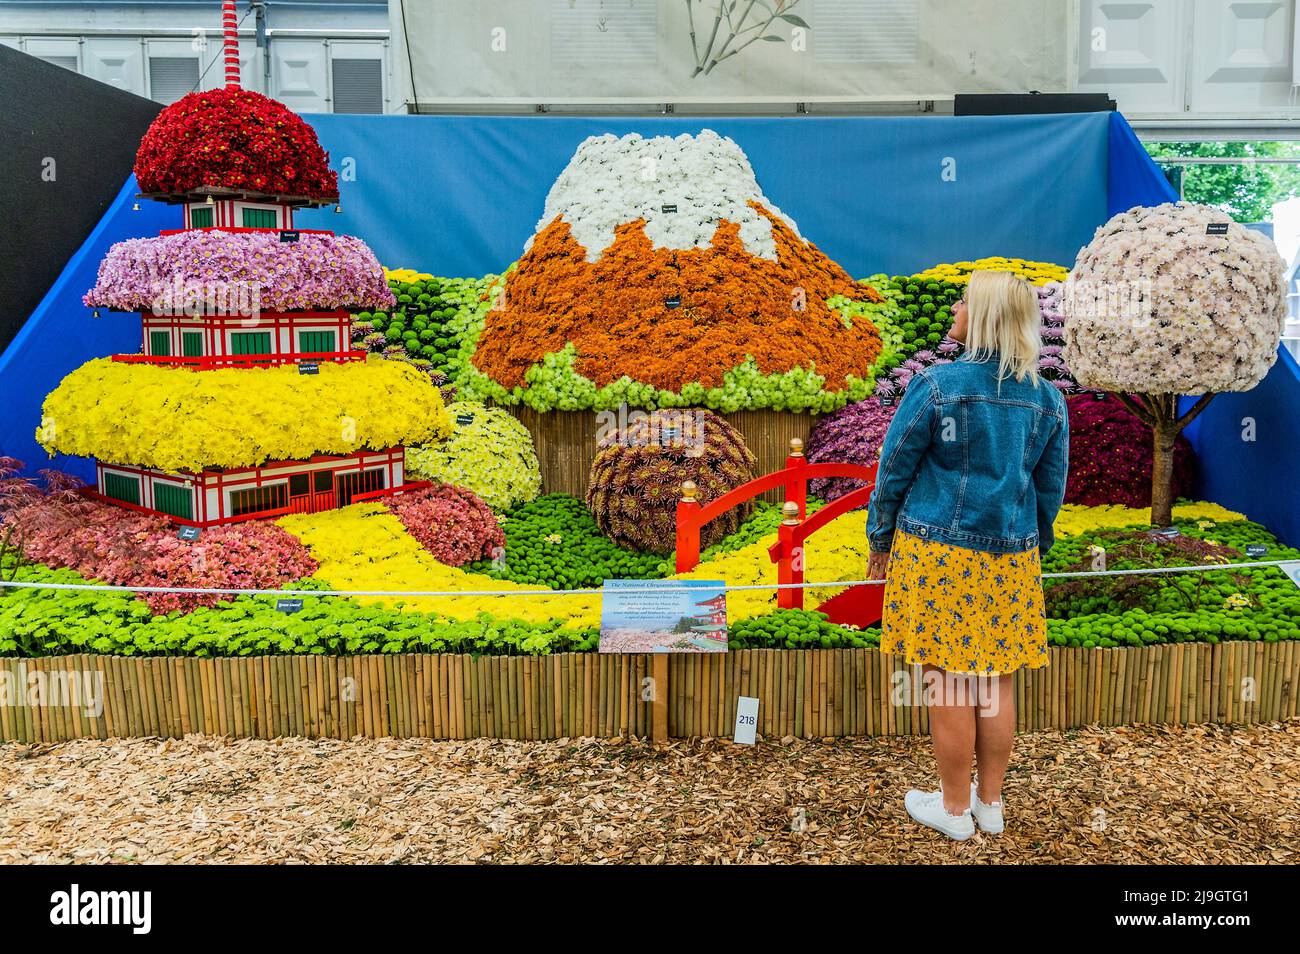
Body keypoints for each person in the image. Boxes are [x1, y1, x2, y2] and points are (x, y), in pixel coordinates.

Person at [865, 269, 1069, 841]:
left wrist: (880, 540)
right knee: (996, 681)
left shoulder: (935, 387)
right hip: (1012, 558)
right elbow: (1049, 489)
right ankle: (991, 805)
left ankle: (953, 812)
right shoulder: (1048, 399)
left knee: (951, 683)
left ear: (981, 316)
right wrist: (1032, 548)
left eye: (964, 300)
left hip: (939, 555)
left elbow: (894, 470)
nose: (955, 306)